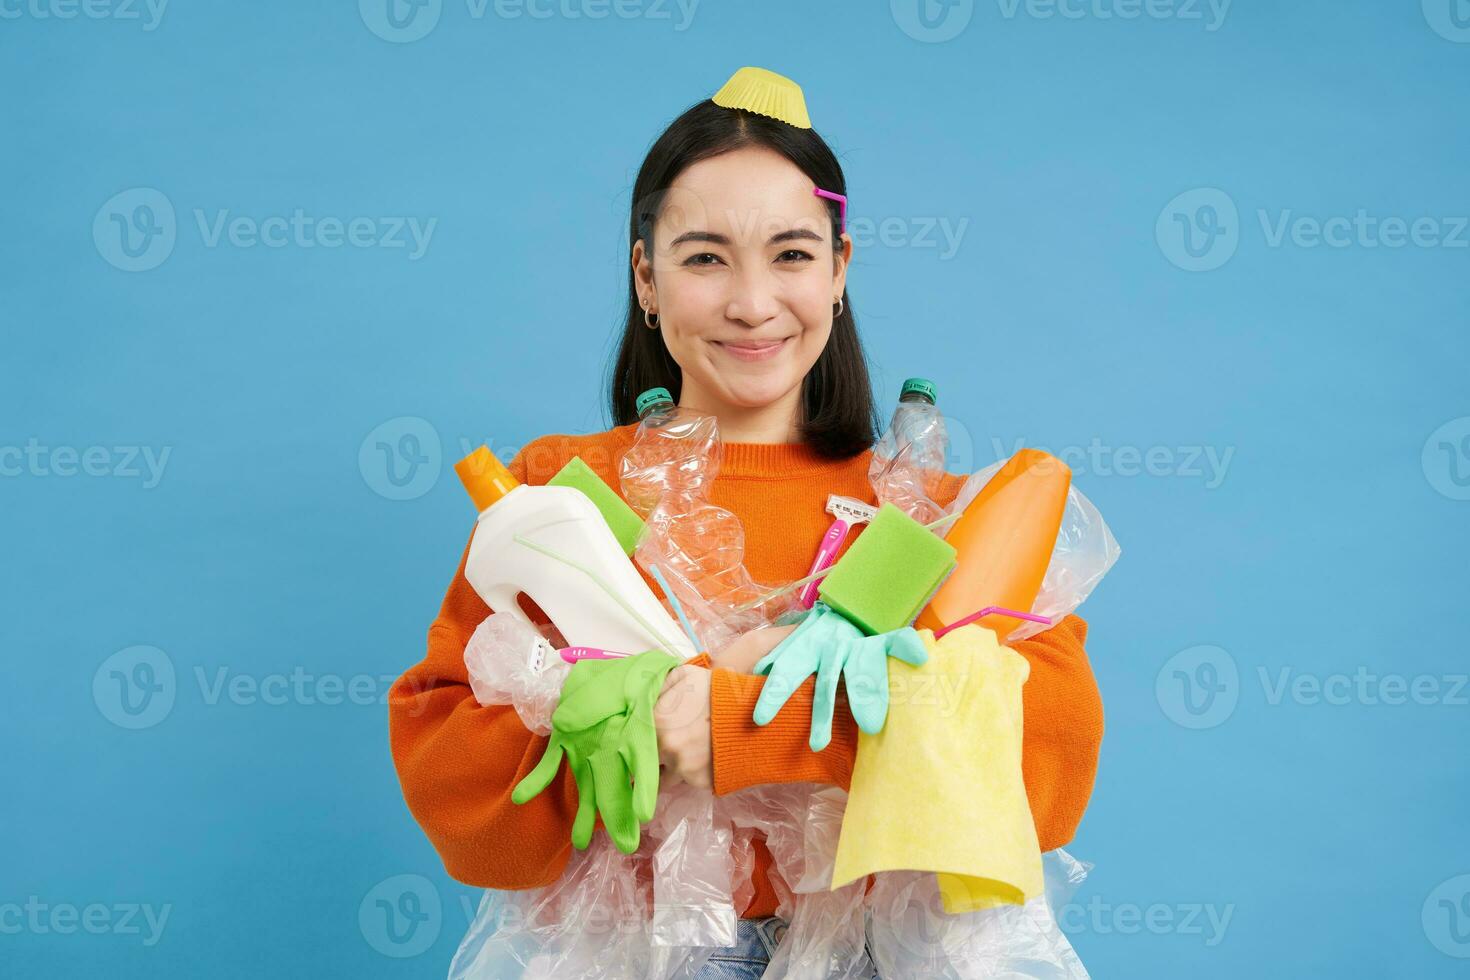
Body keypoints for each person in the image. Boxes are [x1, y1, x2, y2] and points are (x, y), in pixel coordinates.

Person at [388, 67, 1104, 979]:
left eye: (793, 254)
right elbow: (449, 775)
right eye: (704, 256)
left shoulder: (930, 515)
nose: (753, 303)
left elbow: (1045, 764)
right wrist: (627, 729)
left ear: (841, 270)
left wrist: (735, 721)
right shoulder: (561, 498)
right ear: (646, 277)